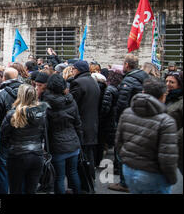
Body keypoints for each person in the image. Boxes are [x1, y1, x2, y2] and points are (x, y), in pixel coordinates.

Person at [115, 77, 178, 194]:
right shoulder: (166, 121)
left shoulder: (127, 112)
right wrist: (172, 178)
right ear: (162, 96)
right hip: (152, 174)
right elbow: (167, 156)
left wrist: (126, 161)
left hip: (129, 170)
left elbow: (119, 142)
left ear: (143, 92)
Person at [109, 54, 149, 192]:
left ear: (126, 65)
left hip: (129, 120)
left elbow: (121, 104)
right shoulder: (144, 76)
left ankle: (124, 183)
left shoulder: (130, 80)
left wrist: (119, 120)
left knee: (122, 151)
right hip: (141, 119)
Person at [0, 84, 48, 194]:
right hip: (36, 154)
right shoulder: (41, 113)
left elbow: (3, 135)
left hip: (17, 155)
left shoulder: (13, 114)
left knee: (15, 189)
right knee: (31, 190)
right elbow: (43, 134)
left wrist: (10, 145)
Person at [43, 74, 82, 194]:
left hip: (57, 145)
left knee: (59, 178)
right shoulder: (71, 101)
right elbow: (78, 123)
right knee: (73, 173)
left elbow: (45, 127)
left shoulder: (46, 104)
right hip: (73, 142)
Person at [69, 60, 100, 185]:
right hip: (92, 123)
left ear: (78, 70)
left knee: (81, 156)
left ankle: (83, 184)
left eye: (73, 69)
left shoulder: (77, 82)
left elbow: (73, 104)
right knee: (88, 154)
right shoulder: (93, 80)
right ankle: (90, 180)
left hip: (82, 124)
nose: (72, 71)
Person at [0, 67, 22, 194]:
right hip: (23, 136)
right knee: (20, 170)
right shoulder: (26, 91)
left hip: (4, 136)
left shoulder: (1, 93)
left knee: (3, 169)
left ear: (4, 78)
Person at [165, 71, 183, 174]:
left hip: (177, 145)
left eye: (172, 82)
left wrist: (175, 138)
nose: (168, 84)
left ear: (179, 84)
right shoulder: (165, 97)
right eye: (166, 81)